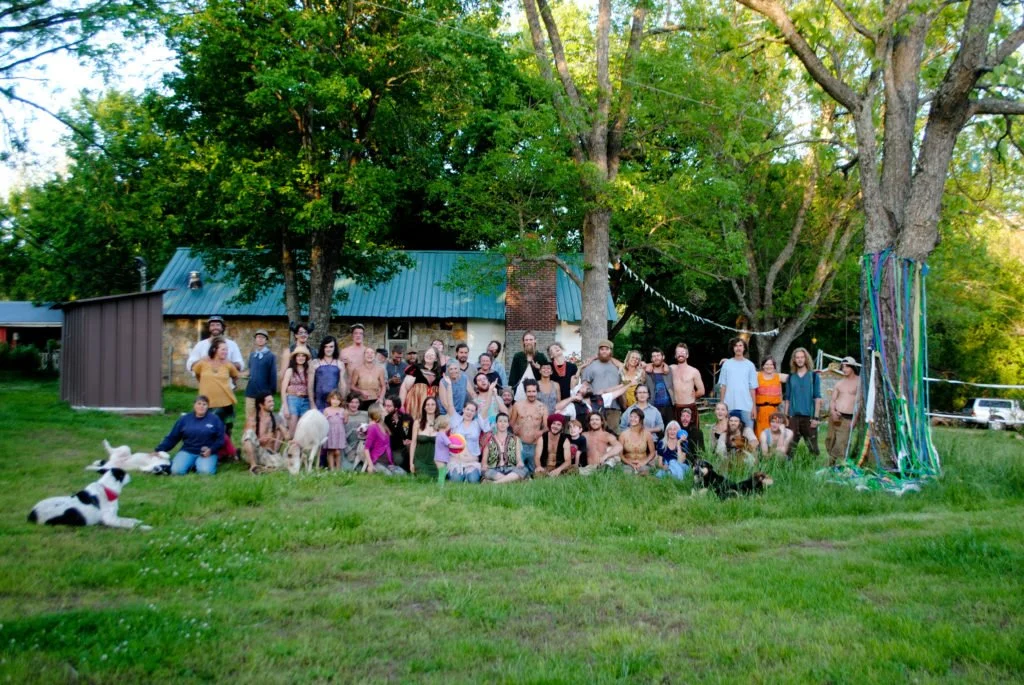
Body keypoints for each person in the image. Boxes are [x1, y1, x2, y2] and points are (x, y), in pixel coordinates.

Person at [155, 395, 225, 476]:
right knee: (176, 471)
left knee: (206, 472)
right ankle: (190, 464)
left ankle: (199, 464)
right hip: (188, 450)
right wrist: (159, 450)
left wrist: (211, 449)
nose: (201, 406)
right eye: (199, 403)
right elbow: (173, 437)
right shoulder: (184, 419)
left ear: (208, 407)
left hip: (207, 452)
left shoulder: (215, 419)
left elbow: (220, 439)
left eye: (204, 404)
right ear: (194, 405)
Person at [192, 337, 240, 436]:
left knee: (224, 430)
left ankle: (224, 445)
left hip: (224, 403)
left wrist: (233, 385)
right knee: (205, 429)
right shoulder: (203, 362)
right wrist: (203, 383)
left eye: (226, 350)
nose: (226, 352)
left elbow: (235, 375)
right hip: (206, 403)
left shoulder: (228, 364)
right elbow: (196, 373)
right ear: (215, 349)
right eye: (223, 349)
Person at [783, 347, 821, 456]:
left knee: (813, 448)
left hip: (809, 417)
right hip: (793, 417)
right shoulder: (791, 377)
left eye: (802, 357)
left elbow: (817, 398)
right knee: (790, 448)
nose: (800, 359)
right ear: (794, 360)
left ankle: (812, 466)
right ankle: (789, 466)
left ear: (806, 359)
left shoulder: (813, 376)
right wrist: (786, 417)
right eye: (797, 357)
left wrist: (816, 418)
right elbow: (787, 399)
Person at [579, 339, 624, 430]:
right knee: (595, 432)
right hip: (596, 406)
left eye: (607, 349)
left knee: (613, 433)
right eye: (602, 349)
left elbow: (623, 382)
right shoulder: (591, 366)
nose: (604, 351)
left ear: (611, 351)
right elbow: (585, 384)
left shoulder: (617, 367)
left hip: (613, 406)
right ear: (598, 351)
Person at [553, 378, 631, 427]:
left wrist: (630, 384)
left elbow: (617, 393)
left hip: (602, 434)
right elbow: (557, 407)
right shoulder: (573, 406)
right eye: (583, 387)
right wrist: (572, 398)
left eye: (586, 386)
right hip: (584, 437)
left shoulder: (599, 398)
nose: (587, 387)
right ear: (578, 393)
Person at [242, 393, 289, 473]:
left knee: (283, 464)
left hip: (267, 454)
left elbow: (287, 436)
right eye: (269, 402)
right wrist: (260, 440)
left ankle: (263, 469)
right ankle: (253, 466)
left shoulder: (276, 418)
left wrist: (284, 431)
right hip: (254, 452)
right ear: (261, 405)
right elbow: (246, 440)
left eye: (272, 401)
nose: (273, 403)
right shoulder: (252, 419)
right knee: (249, 433)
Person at [826, 357, 861, 465]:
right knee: (830, 440)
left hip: (848, 417)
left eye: (847, 367)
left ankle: (837, 464)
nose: (844, 369)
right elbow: (833, 400)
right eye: (843, 367)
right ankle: (831, 465)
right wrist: (833, 411)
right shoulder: (839, 383)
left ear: (852, 367)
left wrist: (855, 420)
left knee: (841, 443)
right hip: (835, 415)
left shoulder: (859, 381)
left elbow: (859, 403)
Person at [718, 338, 758, 429]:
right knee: (729, 433)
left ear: (744, 348)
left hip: (746, 406)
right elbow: (723, 386)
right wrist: (722, 405)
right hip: (729, 405)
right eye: (735, 346)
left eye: (740, 345)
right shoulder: (727, 364)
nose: (738, 348)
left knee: (748, 432)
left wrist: (754, 407)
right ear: (732, 348)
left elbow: (752, 388)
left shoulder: (750, 365)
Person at [509, 379, 546, 474]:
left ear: (537, 392)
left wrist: (541, 432)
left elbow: (547, 427)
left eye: (534, 391)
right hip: (519, 445)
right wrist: (514, 428)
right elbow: (511, 423)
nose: (531, 394)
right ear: (525, 392)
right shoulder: (517, 405)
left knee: (534, 472)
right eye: (529, 391)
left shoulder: (542, 407)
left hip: (534, 445)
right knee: (518, 470)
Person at [447, 401, 490, 483]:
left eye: (472, 411)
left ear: (475, 413)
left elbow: (486, 407)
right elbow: (449, 405)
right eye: (468, 409)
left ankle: (469, 475)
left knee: (473, 480)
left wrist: (491, 393)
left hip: (472, 462)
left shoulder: (477, 423)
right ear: (463, 409)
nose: (469, 412)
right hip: (456, 460)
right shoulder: (456, 421)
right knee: (456, 480)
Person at [243, 329, 277, 428]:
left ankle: (263, 434)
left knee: (263, 417)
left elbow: (273, 375)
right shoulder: (252, 355)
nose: (260, 339)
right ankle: (250, 434)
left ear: (266, 340)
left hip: (263, 392)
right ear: (255, 340)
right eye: (258, 337)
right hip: (251, 391)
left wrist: (271, 392)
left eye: (263, 337)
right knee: (250, 417)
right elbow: (250, 371)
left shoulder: (270, 356)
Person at [669, 343, 705, 430]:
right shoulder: (671, 369)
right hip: (676, 407)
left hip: (690, 406)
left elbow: (701, 391)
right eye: (678, 352)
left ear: (687, 355)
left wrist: (694, 395)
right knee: (676, 434)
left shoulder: (694, 371)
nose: (680, 354)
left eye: (683, 352)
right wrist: (645, 364)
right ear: (675, 355)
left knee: (692, 434)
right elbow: (658, 366)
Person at [483, 413, 527, 484]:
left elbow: (518, 458)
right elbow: (484, 461)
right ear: (496, 424)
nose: (502, 424)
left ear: (508, 424)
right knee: (486, 472)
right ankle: (511, 480)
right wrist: (484, 465)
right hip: (494, 469)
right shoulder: (489, 439)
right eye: (500, 421)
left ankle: (495, 483)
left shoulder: (515, 439)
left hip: (511, 468)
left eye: (505, 421)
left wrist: (520, 462)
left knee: (523, 470)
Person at [280, 344, 314, 437]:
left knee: (303, 430)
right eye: (298, 356)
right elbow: (283, 390)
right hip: (293, 400)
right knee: (292, 430)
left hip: (305, 401)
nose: (301, 358)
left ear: (306, 358)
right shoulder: (290, 371)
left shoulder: (308, 371)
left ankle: (299, 446)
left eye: (303, 356)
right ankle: (282, 431)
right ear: (295, 357)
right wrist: (286, 407)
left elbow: (311, 387)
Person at [399, 347, 442, 420]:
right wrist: (401, 405)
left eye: (432, 354)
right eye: (427, 354)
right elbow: (404, 388)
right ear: (424, 356)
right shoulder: (416, 368)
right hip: (415, 404)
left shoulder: (439, 373)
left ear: (436, 358)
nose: (429, 356)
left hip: (431, 407)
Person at [363, 403, 406, 475]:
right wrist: (371, 465)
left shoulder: (384, 425)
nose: (385, 408)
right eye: (383, 407)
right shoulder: (373, 427)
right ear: (377, 411)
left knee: (403, 474)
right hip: (377, 461)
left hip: (388, 462)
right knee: (389, 476)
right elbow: (366, 449)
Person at [754, 356, 787, 438]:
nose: (769, 366)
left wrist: (811, 374)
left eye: (771, 364)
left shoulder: (778, 377)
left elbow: (795, 377)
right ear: (763, 366)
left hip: (774, 411)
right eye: (767, 364)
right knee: (760, 434)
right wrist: (731, 362)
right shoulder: (757, 375)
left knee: (773, 433)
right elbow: (743, 371)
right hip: (760, 410)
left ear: (774, 366)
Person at [311, 335, 346, 412]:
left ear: (335, 348)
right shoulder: (315, 363)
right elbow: (310, 385)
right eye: (326, 347)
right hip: (318, 401)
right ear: (322, 348)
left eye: (331, 346)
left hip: (334, 401)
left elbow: (342, 385)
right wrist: (312, 403)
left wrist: (342, 401)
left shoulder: (340, 364)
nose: (328, 349)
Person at [508, 331, 548, 396]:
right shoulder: (518, 356)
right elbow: (513, 375)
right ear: (523, 342)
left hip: (537, 391)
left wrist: (539, 368)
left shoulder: (541, 356)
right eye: (526, 340)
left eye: (531, 339)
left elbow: (547, 374)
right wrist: (512, 389)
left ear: (535, 341)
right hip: (520, 391)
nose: (528, 342)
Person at [410, 396, 442, 478]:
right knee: (423, 478)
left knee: (436, 480)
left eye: (433, 404)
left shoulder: (440, 423)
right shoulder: (417, 423)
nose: (430, 406)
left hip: (435, 461)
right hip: (420, 460)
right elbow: (413, 443)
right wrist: (411, 463)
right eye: (427, 404)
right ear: (424, 407)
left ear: (436, 407)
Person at [618, 408, 656, 475]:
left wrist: (643, 462)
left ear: (641, 419)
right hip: (628, 463)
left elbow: (652, 453)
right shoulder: (623, 435)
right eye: (631, 416)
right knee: (627, 473)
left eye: (635, 417)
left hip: (643, 463)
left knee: (645, 472)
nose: (632, 419)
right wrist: (629, 463)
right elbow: (620, 454)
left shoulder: (647, 434)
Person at [534, 413, 572, 477]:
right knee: (538, 474)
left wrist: (558, 470)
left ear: (562, 427)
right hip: (545, 468)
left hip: (560, 468)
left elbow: (568, 461)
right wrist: (539, 466)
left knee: (574, 469)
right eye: (553, 423)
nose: (555, 426)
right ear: (550, 424)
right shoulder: (542, 438)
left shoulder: (565, 440)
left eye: (559, 424)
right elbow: (537, 457)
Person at [645, 347, 675, 427]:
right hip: (653, 406)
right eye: (654, 356)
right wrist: (647, 365)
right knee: (656, 430)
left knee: (670, 429)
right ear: (651, 359)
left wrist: (665, 365)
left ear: (663, 357)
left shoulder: (670, 370)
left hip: (669, 407)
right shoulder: (647, 372)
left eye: (658, 355)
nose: (656, 358)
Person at [383, 396, 414, 470]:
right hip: (392, 448)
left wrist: (410, 440)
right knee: (397, 459)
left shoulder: (406, 418)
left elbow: (407, 434)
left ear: (396, 408)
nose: (385, 408)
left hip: (406, 447)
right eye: (385, 405)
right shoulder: (386, 419)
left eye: (389, 406)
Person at [343, 393, 369, 468]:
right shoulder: (344, 415)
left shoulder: (366, 414)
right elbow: (341, 436)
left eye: (356, 402)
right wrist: (348, 451)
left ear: (359, 404)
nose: (354, 405)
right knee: (348, 468)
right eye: (351, 402)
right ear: (347, 403)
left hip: (364, 448)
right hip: (349, 449)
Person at [323, 390, 347, 471]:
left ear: (340, 401)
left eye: (338, 399)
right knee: (330, 451)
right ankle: (332, 468)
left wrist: (346, 416)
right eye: (333, 399)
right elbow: (323, 422)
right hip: (330, 432)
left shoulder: (342, 410)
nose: (335, 401)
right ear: (329, 399)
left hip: (339, 432)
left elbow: (345, 422)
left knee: (337, 451)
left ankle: (338, 468)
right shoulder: (326, 410)